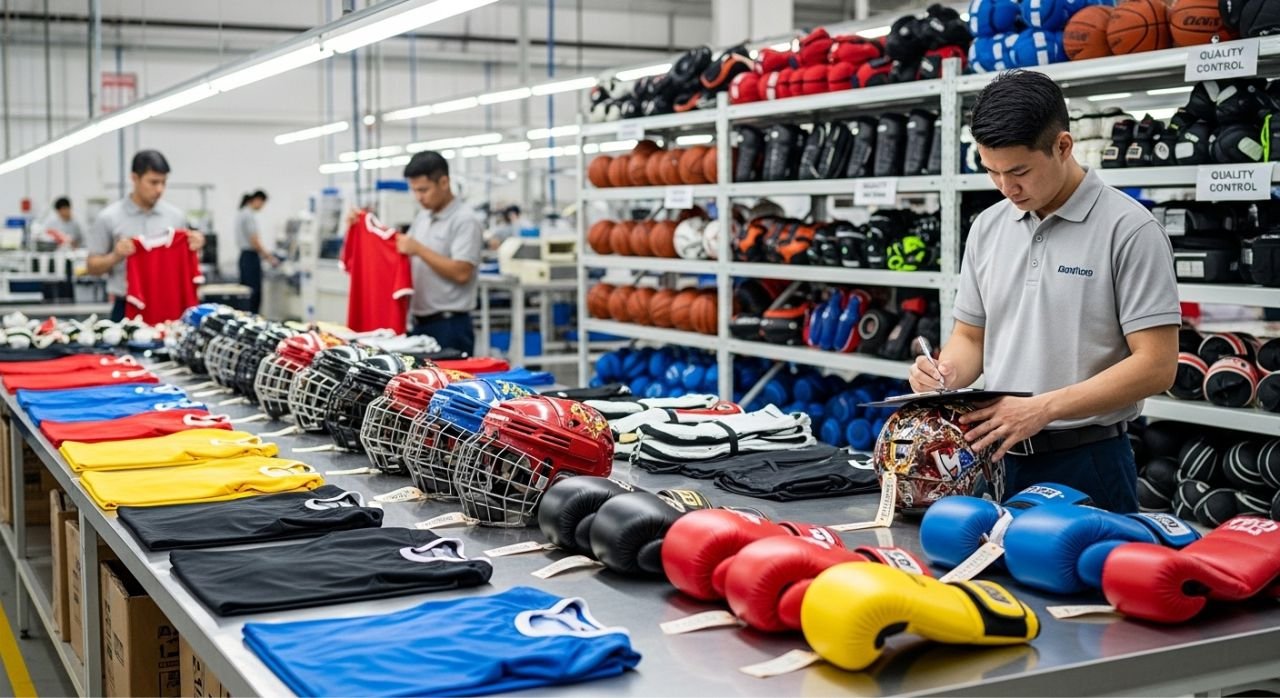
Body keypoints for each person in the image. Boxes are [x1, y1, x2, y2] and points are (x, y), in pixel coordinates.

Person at [907, 70, 1179, 513]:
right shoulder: (988, 227)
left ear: (1063, 146)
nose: (1006, 187)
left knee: (1088, 582)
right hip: (994, 458)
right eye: (991, 171)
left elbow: (1156, 365)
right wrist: (944, 374)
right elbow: (972, 337)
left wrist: (1043, 408)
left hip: (1087, 461)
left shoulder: (1130, 230)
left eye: (1019, 172)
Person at [349, 150, 481, 354]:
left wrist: (418, 249)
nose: (419, 197)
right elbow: (400, 247)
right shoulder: (423, 217)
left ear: (444, 182)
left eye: (424, 190)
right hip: (419, 324)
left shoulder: (465, 220)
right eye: (415, 191)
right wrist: (365, 227)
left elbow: (462, 272)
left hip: (450, 326)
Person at [86, 150, 205, 321]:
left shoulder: (175, 217)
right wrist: (116, 256)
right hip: (126, 306)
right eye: (153, 182)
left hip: (168, 306)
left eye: (163, 183)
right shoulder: (109, 218)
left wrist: (195, 245)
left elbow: (185, 262)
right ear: (134, 178)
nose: (159, 189)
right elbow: (92, 267)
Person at [236, 189, 277, 314]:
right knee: (254, 293)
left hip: (244, 257)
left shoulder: (241, 213)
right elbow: (254, 240)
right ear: (258, 200)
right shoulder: (249, 215)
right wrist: (269, 257)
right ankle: (253, 320)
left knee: (246, 292)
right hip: (250, 257)